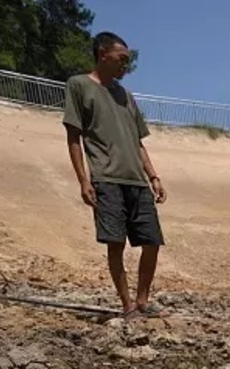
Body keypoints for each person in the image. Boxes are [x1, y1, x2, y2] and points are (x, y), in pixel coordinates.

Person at [63, 31, 168, 319]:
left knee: (152, 241)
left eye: (128, 60)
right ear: (102, 54)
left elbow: (138, 142)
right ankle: (127, 305)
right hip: (106, 179)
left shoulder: (126, 95)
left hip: (137, 180)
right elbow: (74, 136)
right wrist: (83, 180)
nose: (126, 65)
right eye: (122, 59)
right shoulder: (79, 85)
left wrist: (154, 177)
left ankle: (143, 301)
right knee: (115, 244)